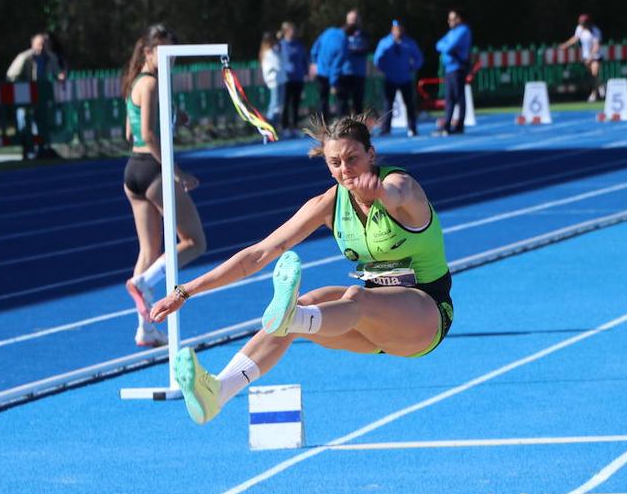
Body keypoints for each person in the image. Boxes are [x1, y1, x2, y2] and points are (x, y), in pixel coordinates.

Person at [149, 114, 455, 426]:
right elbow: (258, 254)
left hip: (425, 315)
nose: (345, 170)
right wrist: (185, 291)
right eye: (335, 162)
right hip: (374, 326)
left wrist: (378, 193)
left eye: (353, 159)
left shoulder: (400, 185)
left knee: (353, 299)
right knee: (307, 303)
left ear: (371, 155)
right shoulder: (329, 203)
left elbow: (397, 194)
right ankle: (219, 392)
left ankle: (291, 317)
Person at [121, 24, 208, 348]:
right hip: (154, 169)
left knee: (149, 250)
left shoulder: (135, 83)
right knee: (195, 242)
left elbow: (131, 134)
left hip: (133, 171)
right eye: (163, 52)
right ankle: (144, 283)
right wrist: (176, 172)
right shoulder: (153, 83)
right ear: (147, 51)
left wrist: (172, 117)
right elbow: (147, 134)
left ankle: (145, 327)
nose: (169, 60)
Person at [374, 19, 423, 136]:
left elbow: (419, 58)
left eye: (400, 29)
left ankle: (412, 128)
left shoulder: (409, 43)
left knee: (409, 104)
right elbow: (377, 59)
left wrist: (413, 67)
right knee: (388, 105)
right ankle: (386, 129)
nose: (398, 32)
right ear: (392, 30)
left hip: (405, 78)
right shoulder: (385, 42)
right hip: (390, 78)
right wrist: (383, 68)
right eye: (396, 29)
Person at [434, 9, 472, 135]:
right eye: (449, 19)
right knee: (449, 98)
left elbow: (449, 47)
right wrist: (445, 47)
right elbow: (438, 44)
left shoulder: (463, 31)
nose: (450, 21)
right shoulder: (452, 32)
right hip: (450, 68)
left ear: (459, 19)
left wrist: (445, 47)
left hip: (457, 68)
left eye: (452, 18)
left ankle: (459, 124)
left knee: (458, 96)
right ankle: (448, 123)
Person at [336, 9, 372, 116]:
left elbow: (365, 48)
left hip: (358, 73)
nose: (353, 22)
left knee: (358, 102)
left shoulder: (364, 34)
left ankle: (358, 128)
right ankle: (343, 127)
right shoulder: (341, 33)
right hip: (344, 72)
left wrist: (351, 50)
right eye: (351, 19)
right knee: (343, 102)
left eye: (355, 19)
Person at [560, 14, 603, 101]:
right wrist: (565, 45)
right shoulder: (579, 29)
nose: (582, 25)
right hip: (585, 56)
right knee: (591, 76)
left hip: (595, 56)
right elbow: (575, 38)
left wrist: (591, 57)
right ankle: (600, 86)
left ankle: (594, 94)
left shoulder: (595, 31)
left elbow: (596, 46)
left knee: (595, 74)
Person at [311, 22, 347, 121]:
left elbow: (315, 48)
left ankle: (322, 126)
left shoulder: (328, 32)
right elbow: (337, 64)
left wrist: (314, 62)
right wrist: (333, 83)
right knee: (340, 100)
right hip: (331, 75)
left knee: (322, 100)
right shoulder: (343, 40)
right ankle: (343, 125)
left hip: (320, 72)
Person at [279, 22, 308, 135]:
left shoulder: (299, 45)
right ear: (286, 32)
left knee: (296, 104)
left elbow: (304, 59)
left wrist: (305, 72)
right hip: (286, 79)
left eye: (294, 31)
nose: (293, 33)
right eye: (291, 31)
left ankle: (295, 126)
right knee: (286, 103)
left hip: (298, 78)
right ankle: (285, 126)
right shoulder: (281, 45)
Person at [259, 32, 285, 132]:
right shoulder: (267, 52)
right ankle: (268, 126)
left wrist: (278, 39)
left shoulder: (273, 50)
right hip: (274, 80)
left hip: (280, 79)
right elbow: (274, 65)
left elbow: (280, 49)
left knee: (279, 105)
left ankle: (275, 126)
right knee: (274, 104)